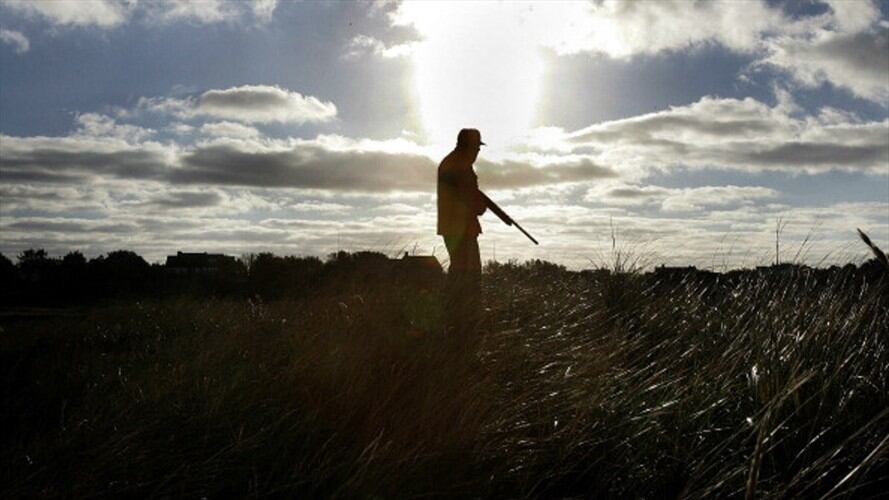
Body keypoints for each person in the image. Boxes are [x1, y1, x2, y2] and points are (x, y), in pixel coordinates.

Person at [437, 128, 487, 338]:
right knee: (469, 276)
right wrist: (481, 204)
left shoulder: (451, 163)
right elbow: (474, 204)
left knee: (460, 273)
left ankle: (455, 321)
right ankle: (463, 325)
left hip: (454, 228)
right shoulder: (461, 167)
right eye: (476, 147)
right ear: (467, 147)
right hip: (463, 230)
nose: (477, 152)